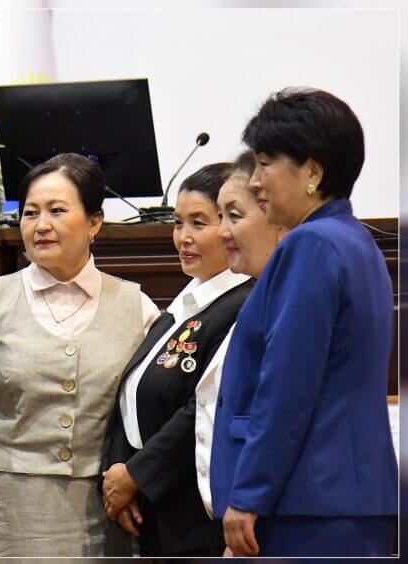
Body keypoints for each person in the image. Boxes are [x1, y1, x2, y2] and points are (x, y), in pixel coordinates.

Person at [0, 153, 161, 557]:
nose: (40, 225)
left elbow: (147, 418)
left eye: (57, 211)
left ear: (94, 222)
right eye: (29, 213)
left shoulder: (137, 308)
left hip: (99, 514)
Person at [211, 88, 398, 557]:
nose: (255, 181)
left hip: (306, 503)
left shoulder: (310, 244)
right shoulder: (357, 241)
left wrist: (248, 494)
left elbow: (287, 383)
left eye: (265, 164)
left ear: (312, 171)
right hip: (349, 499)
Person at [101, 163, 254, 556]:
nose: (183, 237)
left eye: (198, 223)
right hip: (153, 505)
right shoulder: (185, 301)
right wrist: (119, 470)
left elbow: (202, 409)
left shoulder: (243, 303)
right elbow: (130, 391)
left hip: (195, 511)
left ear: (229, 227)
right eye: (177, 222)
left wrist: (135, 475)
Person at [194, 151, 285, 522]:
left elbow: (281, 412)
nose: (221, 232)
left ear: (276, 214)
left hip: (269, 514)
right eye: (221, 216)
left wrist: (247, 502)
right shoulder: (261, 294)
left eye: (234, 215)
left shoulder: (287, 297)